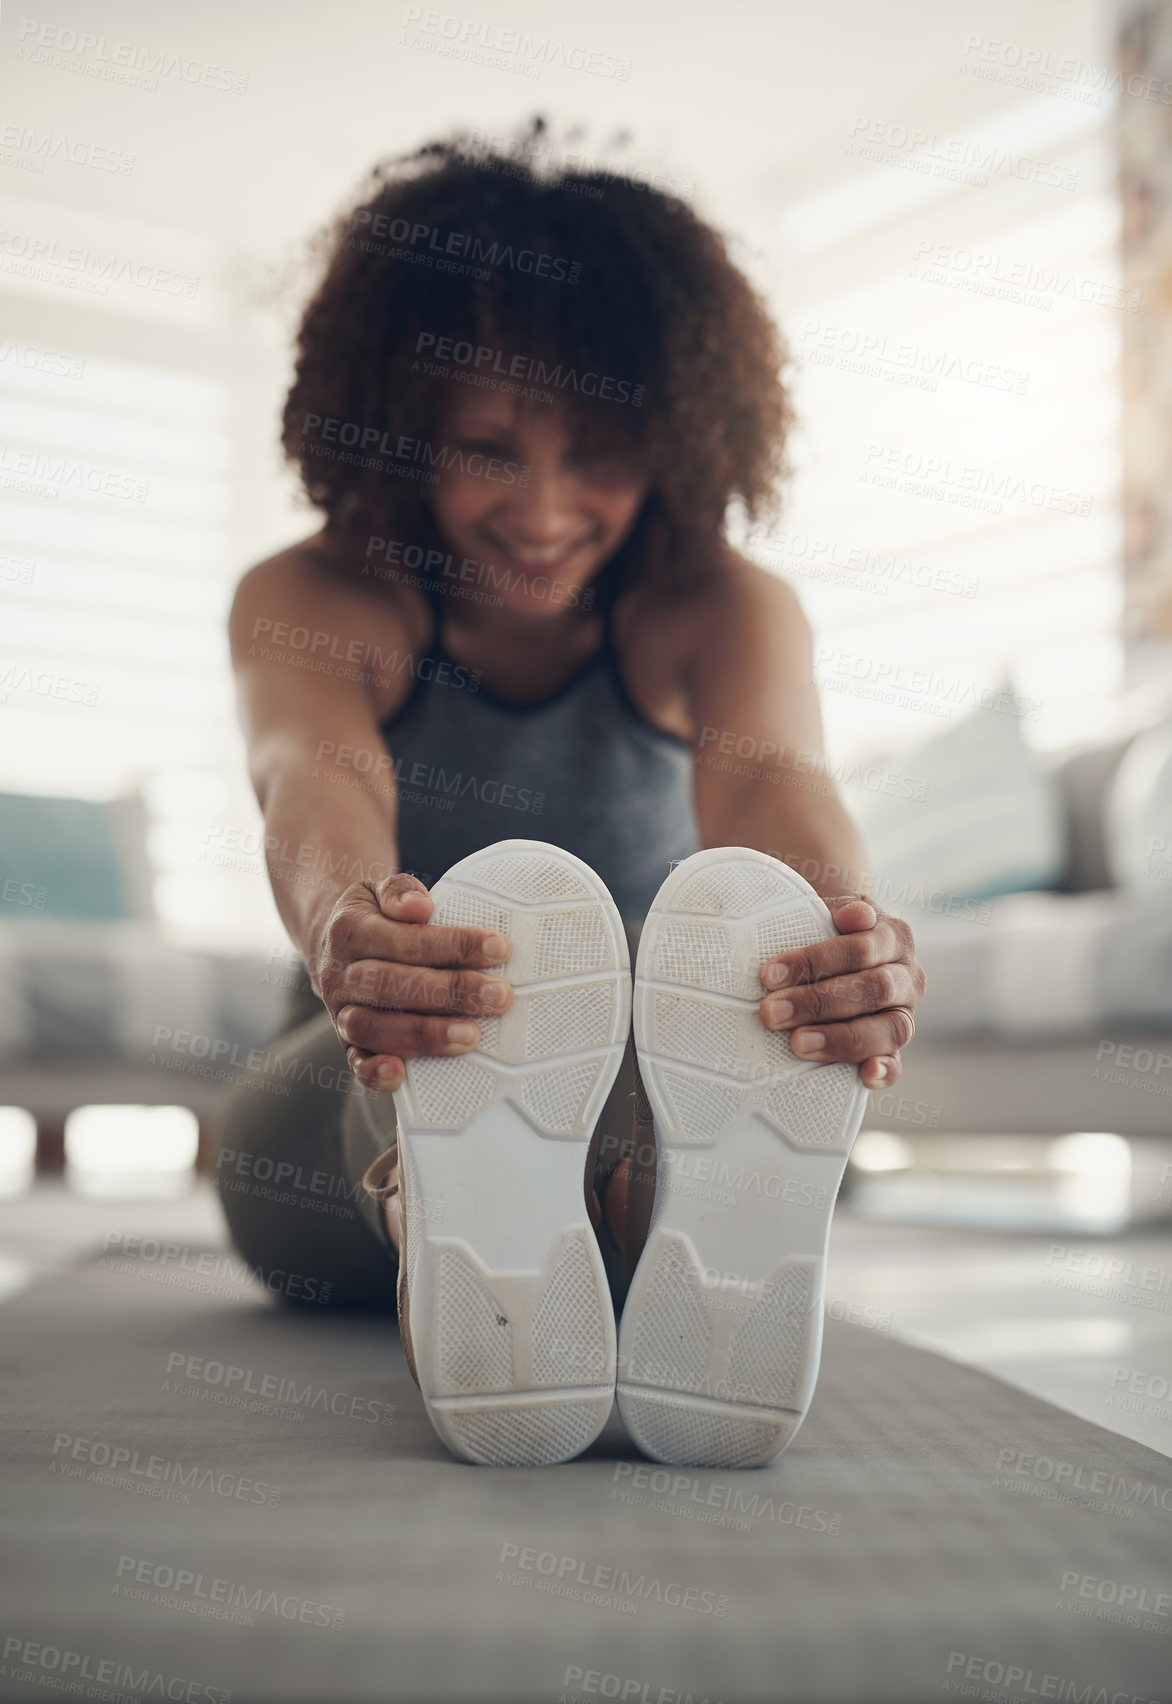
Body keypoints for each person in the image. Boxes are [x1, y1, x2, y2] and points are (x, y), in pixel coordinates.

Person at [217, 122, 926, 1463]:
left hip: (656, 1054)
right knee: (444, 1028)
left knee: (661, 1059)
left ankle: (619, 1193)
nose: (543, 511)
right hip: (349, 1060)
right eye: (488, 447)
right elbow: (312, 777)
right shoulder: (312, 594)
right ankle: (489, 1210)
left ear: (678, 436)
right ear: (399, 429)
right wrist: (351, 939)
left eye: (596, 449)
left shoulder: (717, 603)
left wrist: (843, 928)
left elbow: (779, 786)